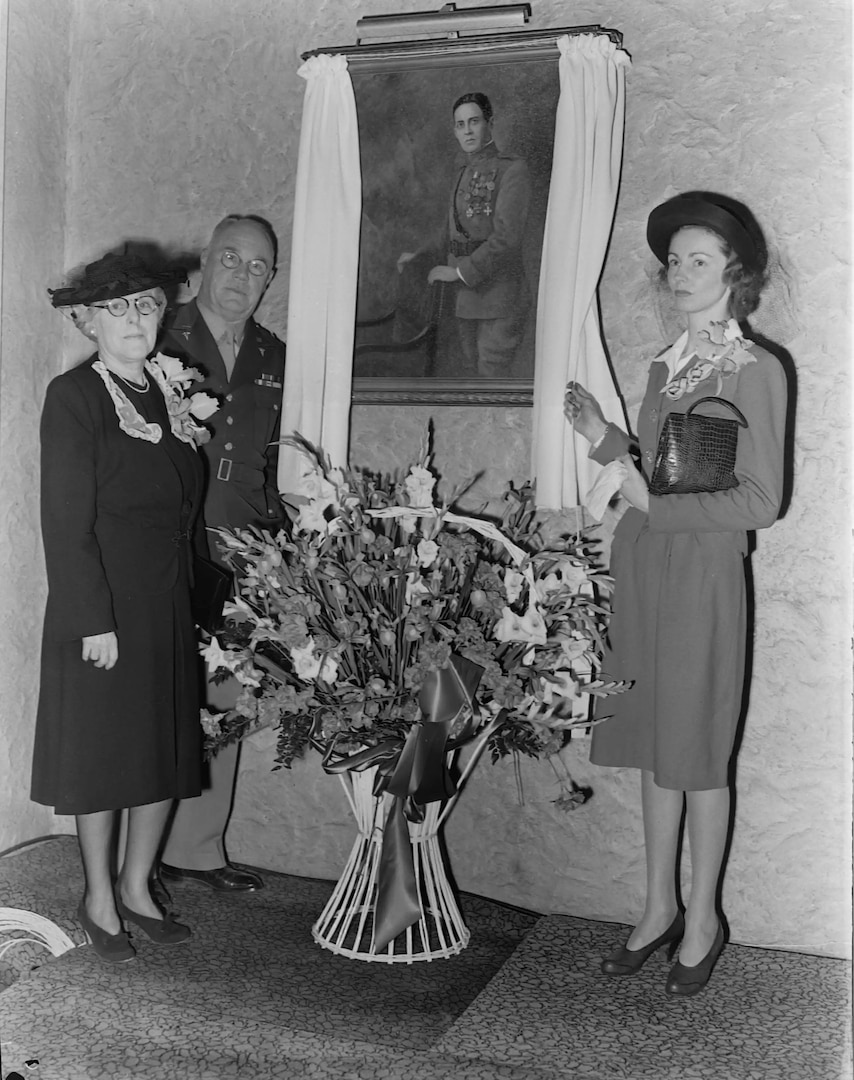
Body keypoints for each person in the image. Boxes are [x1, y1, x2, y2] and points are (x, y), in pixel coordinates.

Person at [564, 192, 787, 996]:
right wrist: (603, 437)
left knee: (697, 751)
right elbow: (660, 467)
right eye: (675, 260)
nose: (681, 272)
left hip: (702, 576)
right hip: (644, 567)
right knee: (657, 742)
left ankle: (704, 920)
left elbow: (761, 500)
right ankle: (657, 905)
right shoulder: (665, 364)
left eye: (699, 259)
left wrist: (655, 502)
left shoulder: (757, 370)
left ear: (736, 271)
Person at [31, 249, 211, 961]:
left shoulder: (169, 389)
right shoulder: (74, 398)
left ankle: (138, 887)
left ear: (163, 313)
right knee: (107, 758)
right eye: (117, 307)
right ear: (87, 319)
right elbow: (64, 520)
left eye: (147, 304)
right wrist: (92, 619)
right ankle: (98, 896)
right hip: (104, 610)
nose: (135, 319)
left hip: (165, 601)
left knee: (160, 751)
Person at [158, 214, 285, 893]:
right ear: (206, 260)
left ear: (271, 279)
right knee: (154, 696)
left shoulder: (273, 355)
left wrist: (281, 551)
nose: (241, 274)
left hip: (242, 549)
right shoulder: (158, 332)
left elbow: (273, 463)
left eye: (257, 265)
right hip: (166, 540)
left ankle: (196, 851)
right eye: (230, 258)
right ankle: (137, 855)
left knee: (224, 694)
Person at [397, 92, 531, 378]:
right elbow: (452, 230)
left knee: (491, 379)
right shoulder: (462, 171)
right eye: (460, 125)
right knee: (470, 377)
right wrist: (419, 255)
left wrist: (458, 273)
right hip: (466, 299)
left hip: (499, 297)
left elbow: (507, 238)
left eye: (474, 121)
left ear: (490, 123)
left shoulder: (512, 170)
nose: (467, 130)